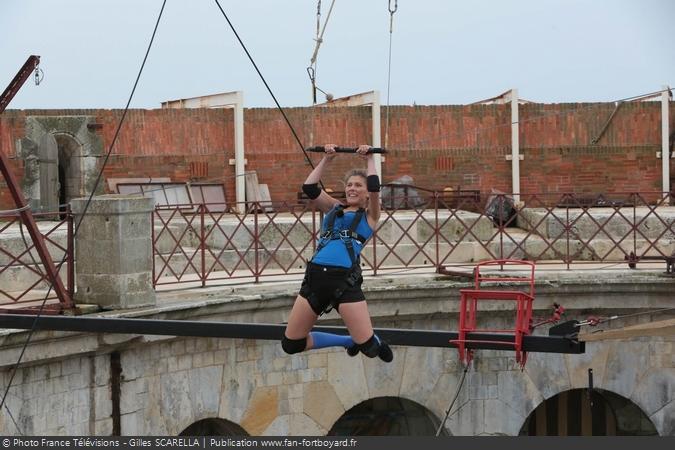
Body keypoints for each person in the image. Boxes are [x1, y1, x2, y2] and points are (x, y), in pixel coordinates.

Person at [281, 144, 393, 363]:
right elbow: (310, 187)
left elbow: (374, 188)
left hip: (343, 282)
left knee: (369, 348)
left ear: (365, 193)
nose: (352, 189)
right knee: (291, 344)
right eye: (349, 185)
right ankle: (346, 341)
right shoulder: (334, 208)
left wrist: (369, 158)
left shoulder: (370, 216)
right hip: (315, 279)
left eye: (358, 186)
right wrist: (327, 159)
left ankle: (367, 341)